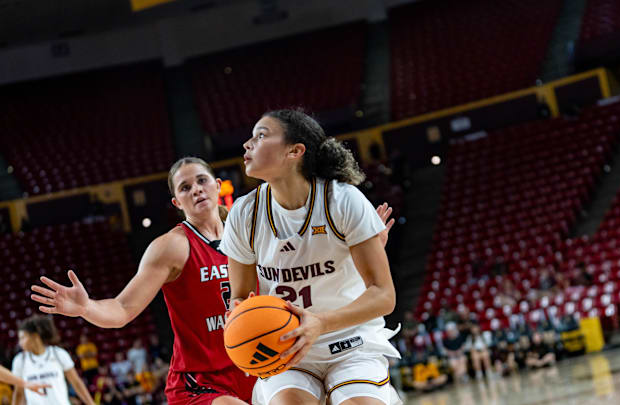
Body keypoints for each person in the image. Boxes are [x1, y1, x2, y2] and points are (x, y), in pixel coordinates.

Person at [30, 156, 395, 405]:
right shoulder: (171, 247)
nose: (196, 190)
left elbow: (310, 270)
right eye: (185, 187)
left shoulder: (256, 225)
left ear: (217, 185)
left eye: (201, 180)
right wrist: (86, 307)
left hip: (260, 362)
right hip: (203, 380)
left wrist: (360, 248)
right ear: (177, 201)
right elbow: (124, 309)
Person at [221, 109, 401, 405]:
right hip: (284, 348)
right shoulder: (244, 213)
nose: (247, 144)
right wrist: (240, 315)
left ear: (295, 151)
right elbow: (239, 296)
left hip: (351, 342)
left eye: (261, 135)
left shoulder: (343, 200)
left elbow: (383, 296)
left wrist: (320, 323)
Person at [11, 315, 93, 405]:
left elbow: (76, 382)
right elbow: (18, 392)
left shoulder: (58, 353)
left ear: (35, 336)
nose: (20, 343)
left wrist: (91, 403)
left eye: (23, 338)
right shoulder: (19, 360)